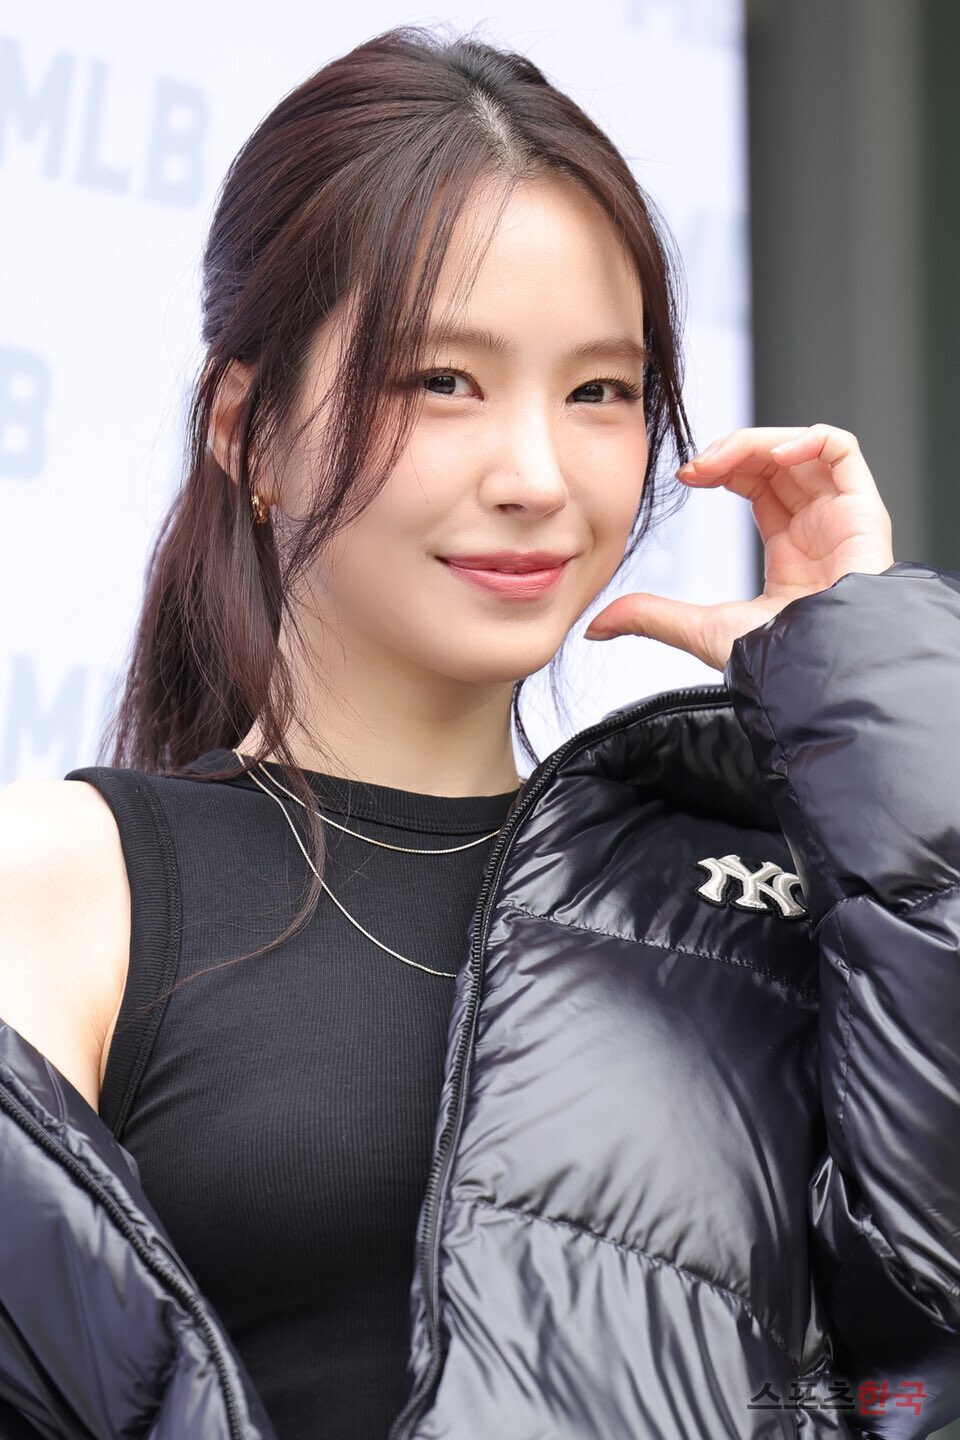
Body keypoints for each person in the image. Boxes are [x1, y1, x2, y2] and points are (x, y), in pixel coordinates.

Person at [1, 22, 958, 1440]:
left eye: (600, 392)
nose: (536, 474)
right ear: (247, 428)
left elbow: (923, 1325)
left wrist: (861, 698)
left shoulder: (751, 893)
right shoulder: (69, 885)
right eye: (442, 381)